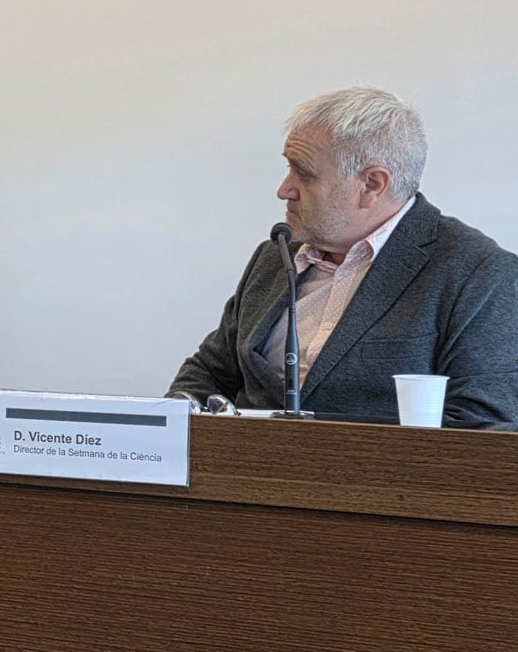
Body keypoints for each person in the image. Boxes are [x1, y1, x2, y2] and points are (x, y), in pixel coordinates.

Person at [169, 87, 518, 427]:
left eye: (302, 173)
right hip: (241, 479)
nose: (284, 189)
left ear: (371, 185)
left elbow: (484, 426)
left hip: (382, 483)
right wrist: (164, 428)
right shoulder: (276, 256)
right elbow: (210, 373)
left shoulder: (479, 274)